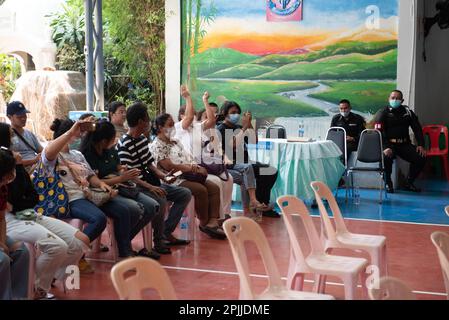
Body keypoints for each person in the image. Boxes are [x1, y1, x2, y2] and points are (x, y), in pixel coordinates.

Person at [1, 123, 87, 299]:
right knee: (57, 247)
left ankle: (45, 279)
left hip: (28, 213)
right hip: (13, 218)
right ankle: (38, 289)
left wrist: (18, 168)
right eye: (11, 135)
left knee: (81, 242)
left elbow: (33, 196)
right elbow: (13, 200)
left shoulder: (14, 161)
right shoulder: (10, 163)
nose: (15, 138)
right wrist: (17, 167)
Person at [81, 120, 180, 256]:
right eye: (112, 138)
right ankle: (124, 248)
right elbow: (93, 182)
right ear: (103, 141)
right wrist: (122, 178)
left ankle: (124, 240)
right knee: (134, 208)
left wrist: (124, 171)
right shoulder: (87, 155)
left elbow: (118, 168)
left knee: (152, 206)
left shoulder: (110, 151)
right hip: (103, 194)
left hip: (123, 187)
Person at [117, 103, 192, 246]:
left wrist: (164, 176)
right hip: (136, 186)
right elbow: (129, 176)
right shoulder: (124, 144)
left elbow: (150, 164)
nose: (149, 122)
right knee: (161, 198)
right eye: (147, 119)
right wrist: (150, 187)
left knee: (184, 193)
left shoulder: (142, 140)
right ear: (140, 122)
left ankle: (165, 232)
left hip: (150, 182)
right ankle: (158, 240)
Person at [150, 113, 226, 239]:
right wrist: (191, 168)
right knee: (201, 190)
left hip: (188, 174)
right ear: (159, 127)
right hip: (172, 178)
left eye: (173, 124)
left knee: (214, 187)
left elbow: (188, 157)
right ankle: (204, 223)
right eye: (169, 125)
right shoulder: (157, 145)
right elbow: (168, 166)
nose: (173, 127)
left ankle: (213, 221)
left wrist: (196, 167)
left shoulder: (176, 141)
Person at [175, 87, 233, 220]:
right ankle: (216, 218)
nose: (193, 116)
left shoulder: (197, 127)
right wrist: (188, 97)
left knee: (228, 179)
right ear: (181, 116)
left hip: (203, 166)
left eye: (195, 114)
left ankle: (225, 214)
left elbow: (212, 121)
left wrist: (205, 101)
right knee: (217, 182)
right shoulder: (179, 127)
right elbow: (189, 118)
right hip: (188, 169)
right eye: (190, 113)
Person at [217, 101, 280, 218]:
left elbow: (254, 141)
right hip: (232, 163)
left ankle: (262, 204)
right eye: (233, 112)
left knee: (270, 171)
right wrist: (245, 126)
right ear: (224, 113)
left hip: (246, 161)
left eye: (237, 113)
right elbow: (233, 145)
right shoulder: (221, 128)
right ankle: (255, 202)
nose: (236, 115)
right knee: (249, 168)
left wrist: (250, 124)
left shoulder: (239, 127)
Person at [374, 90, 427, 193]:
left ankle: (409, 183)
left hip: (404, 144)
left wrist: (421, 145)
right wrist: (385, 147)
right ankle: (388, 183)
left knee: (421, 157)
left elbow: (417, 128)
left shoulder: (407, 112)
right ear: (388, 99)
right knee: (386, 158)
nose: (395, 100)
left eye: (397, 98)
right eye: (393, 98)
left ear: (402, 100)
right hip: (389, 145)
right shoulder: (383, 112)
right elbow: (378, 132)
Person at [0, 148, 29, 300]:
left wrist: (3, 242)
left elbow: (1, 218)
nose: (11, 177)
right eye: (7, 175)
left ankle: (18, 297)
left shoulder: (3, 188)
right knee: (2, 259)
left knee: (22, 251)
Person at [7, 101, 43, 173]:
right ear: (9, 117)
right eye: (19, 117)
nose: (23, 119)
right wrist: (33, 161)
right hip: (20, 172)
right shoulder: (6, 135)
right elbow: (9, 162)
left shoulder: (29, 134)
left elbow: (41, 151)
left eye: (25, 116)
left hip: (37, 168)